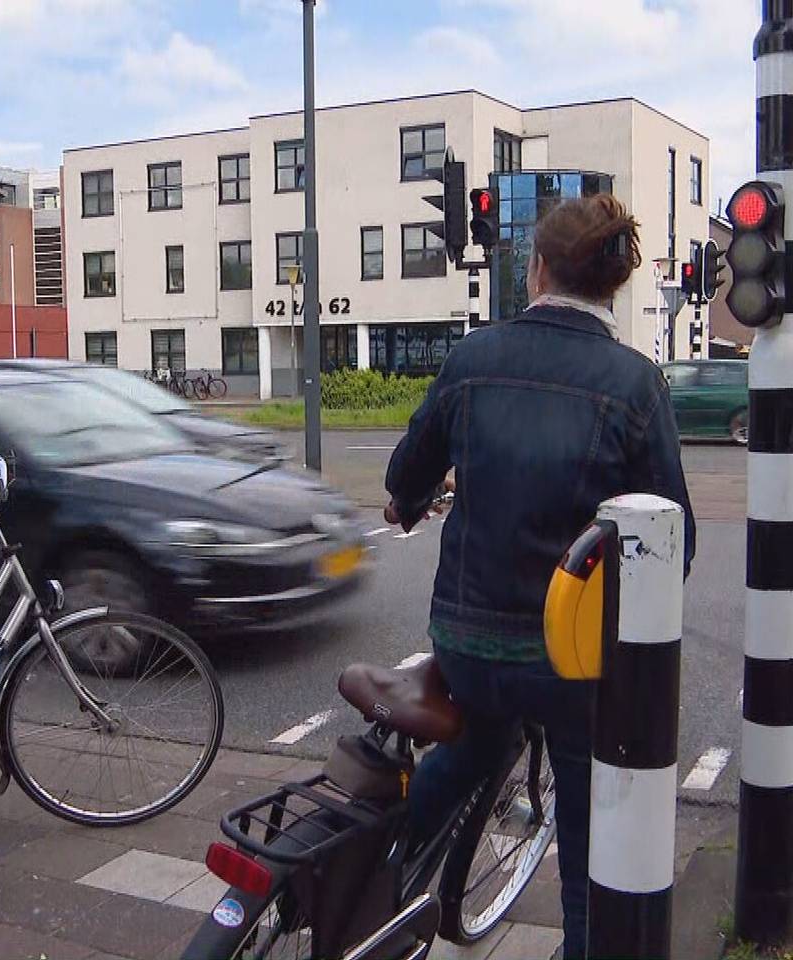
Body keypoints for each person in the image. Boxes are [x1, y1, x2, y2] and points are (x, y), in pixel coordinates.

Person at [385, 195, 695, 960]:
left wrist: (409, 502)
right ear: (612, 284)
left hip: (468, 640)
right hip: (571, 662)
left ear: (538, 269)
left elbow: (405, 478)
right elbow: (671, 540)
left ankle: (376, 870)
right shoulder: (634, 383)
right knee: (589, 826)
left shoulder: (472, 359)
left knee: (472, 743)